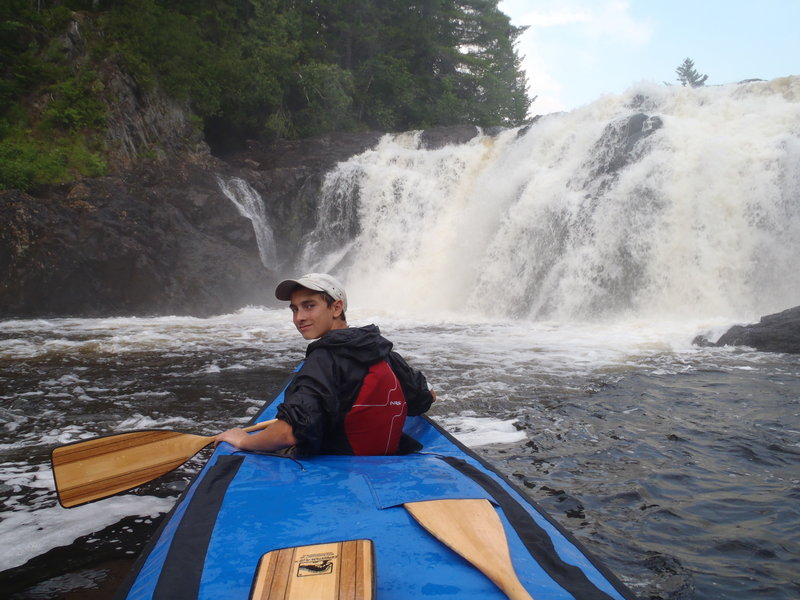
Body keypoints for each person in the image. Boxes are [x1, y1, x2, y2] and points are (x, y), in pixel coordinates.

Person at [216, 273, 435, 455]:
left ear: (337, 307)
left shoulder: (323, 360)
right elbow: (422, 399)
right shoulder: (380, 350)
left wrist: (243, 439)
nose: (299, 317)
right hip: (387, 464)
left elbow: (290, 432)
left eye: (309, 306)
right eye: (295, 309)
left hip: (340, 471)